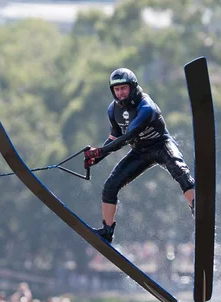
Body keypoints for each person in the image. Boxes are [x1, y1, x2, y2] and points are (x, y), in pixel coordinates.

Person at [84, 68, 195, 244]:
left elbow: (128, 137)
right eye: (116, 89)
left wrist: (100, 151)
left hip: (161, 145)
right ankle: (107, 231)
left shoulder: (146, 106)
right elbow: (113, 137)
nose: (120, 93)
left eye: (124, 88)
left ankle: (197, 206)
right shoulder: (113, 110)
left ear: (133, 87)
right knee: (110, 186)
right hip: (140, 152)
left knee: (179, 170)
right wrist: (96, 158)